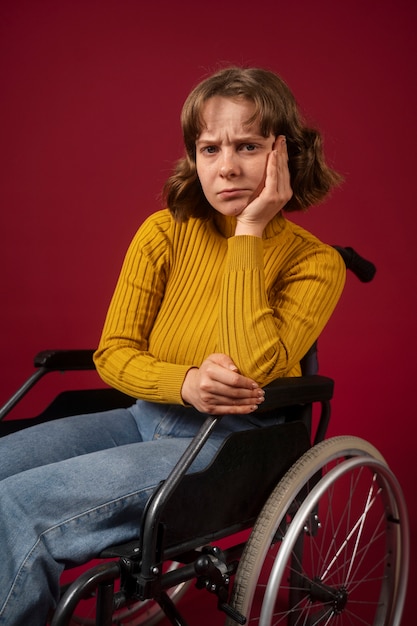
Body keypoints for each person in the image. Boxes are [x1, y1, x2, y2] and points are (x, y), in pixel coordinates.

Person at [0, 66, 346, 624]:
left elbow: (255, 369)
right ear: (194, 159)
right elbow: (113, 352)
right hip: (141, 419)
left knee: (16, 510)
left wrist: (251, 233)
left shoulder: (315, 264)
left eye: (249, 145)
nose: (227, 166)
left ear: (286, 154)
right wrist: (183, 381)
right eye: (209, 148)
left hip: (227, 449)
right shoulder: (163, 232)